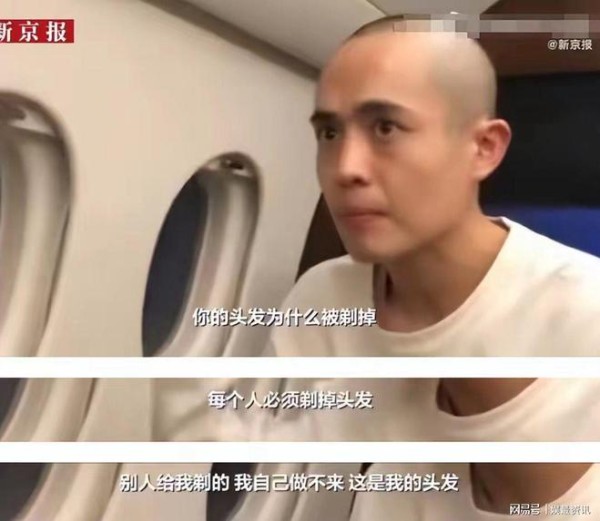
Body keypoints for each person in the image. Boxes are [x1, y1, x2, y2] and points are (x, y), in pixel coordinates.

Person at [268, 14, 600, 358]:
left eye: (385, 128)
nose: (345, 168)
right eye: (330, 133)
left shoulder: (585, 317)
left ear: (483, 148)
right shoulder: (319, 296)